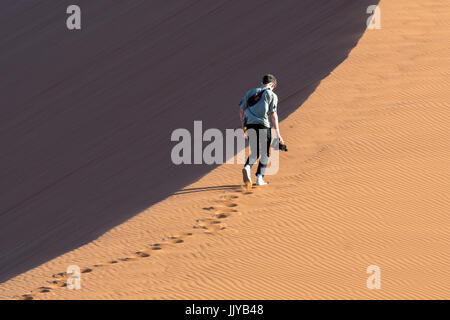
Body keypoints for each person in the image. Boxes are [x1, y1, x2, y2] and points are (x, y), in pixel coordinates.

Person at [239, 74, 284, 186]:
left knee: (255, 151)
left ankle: (247, 167)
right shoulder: (272, 95)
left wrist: (244, 128)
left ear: (262, 83)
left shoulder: (250, 93)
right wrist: (278, 133)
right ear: (272, 85)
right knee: (265, 153)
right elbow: (273, 114)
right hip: (263, 125)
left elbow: (241, 110)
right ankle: (259, 178)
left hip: (249, 125)